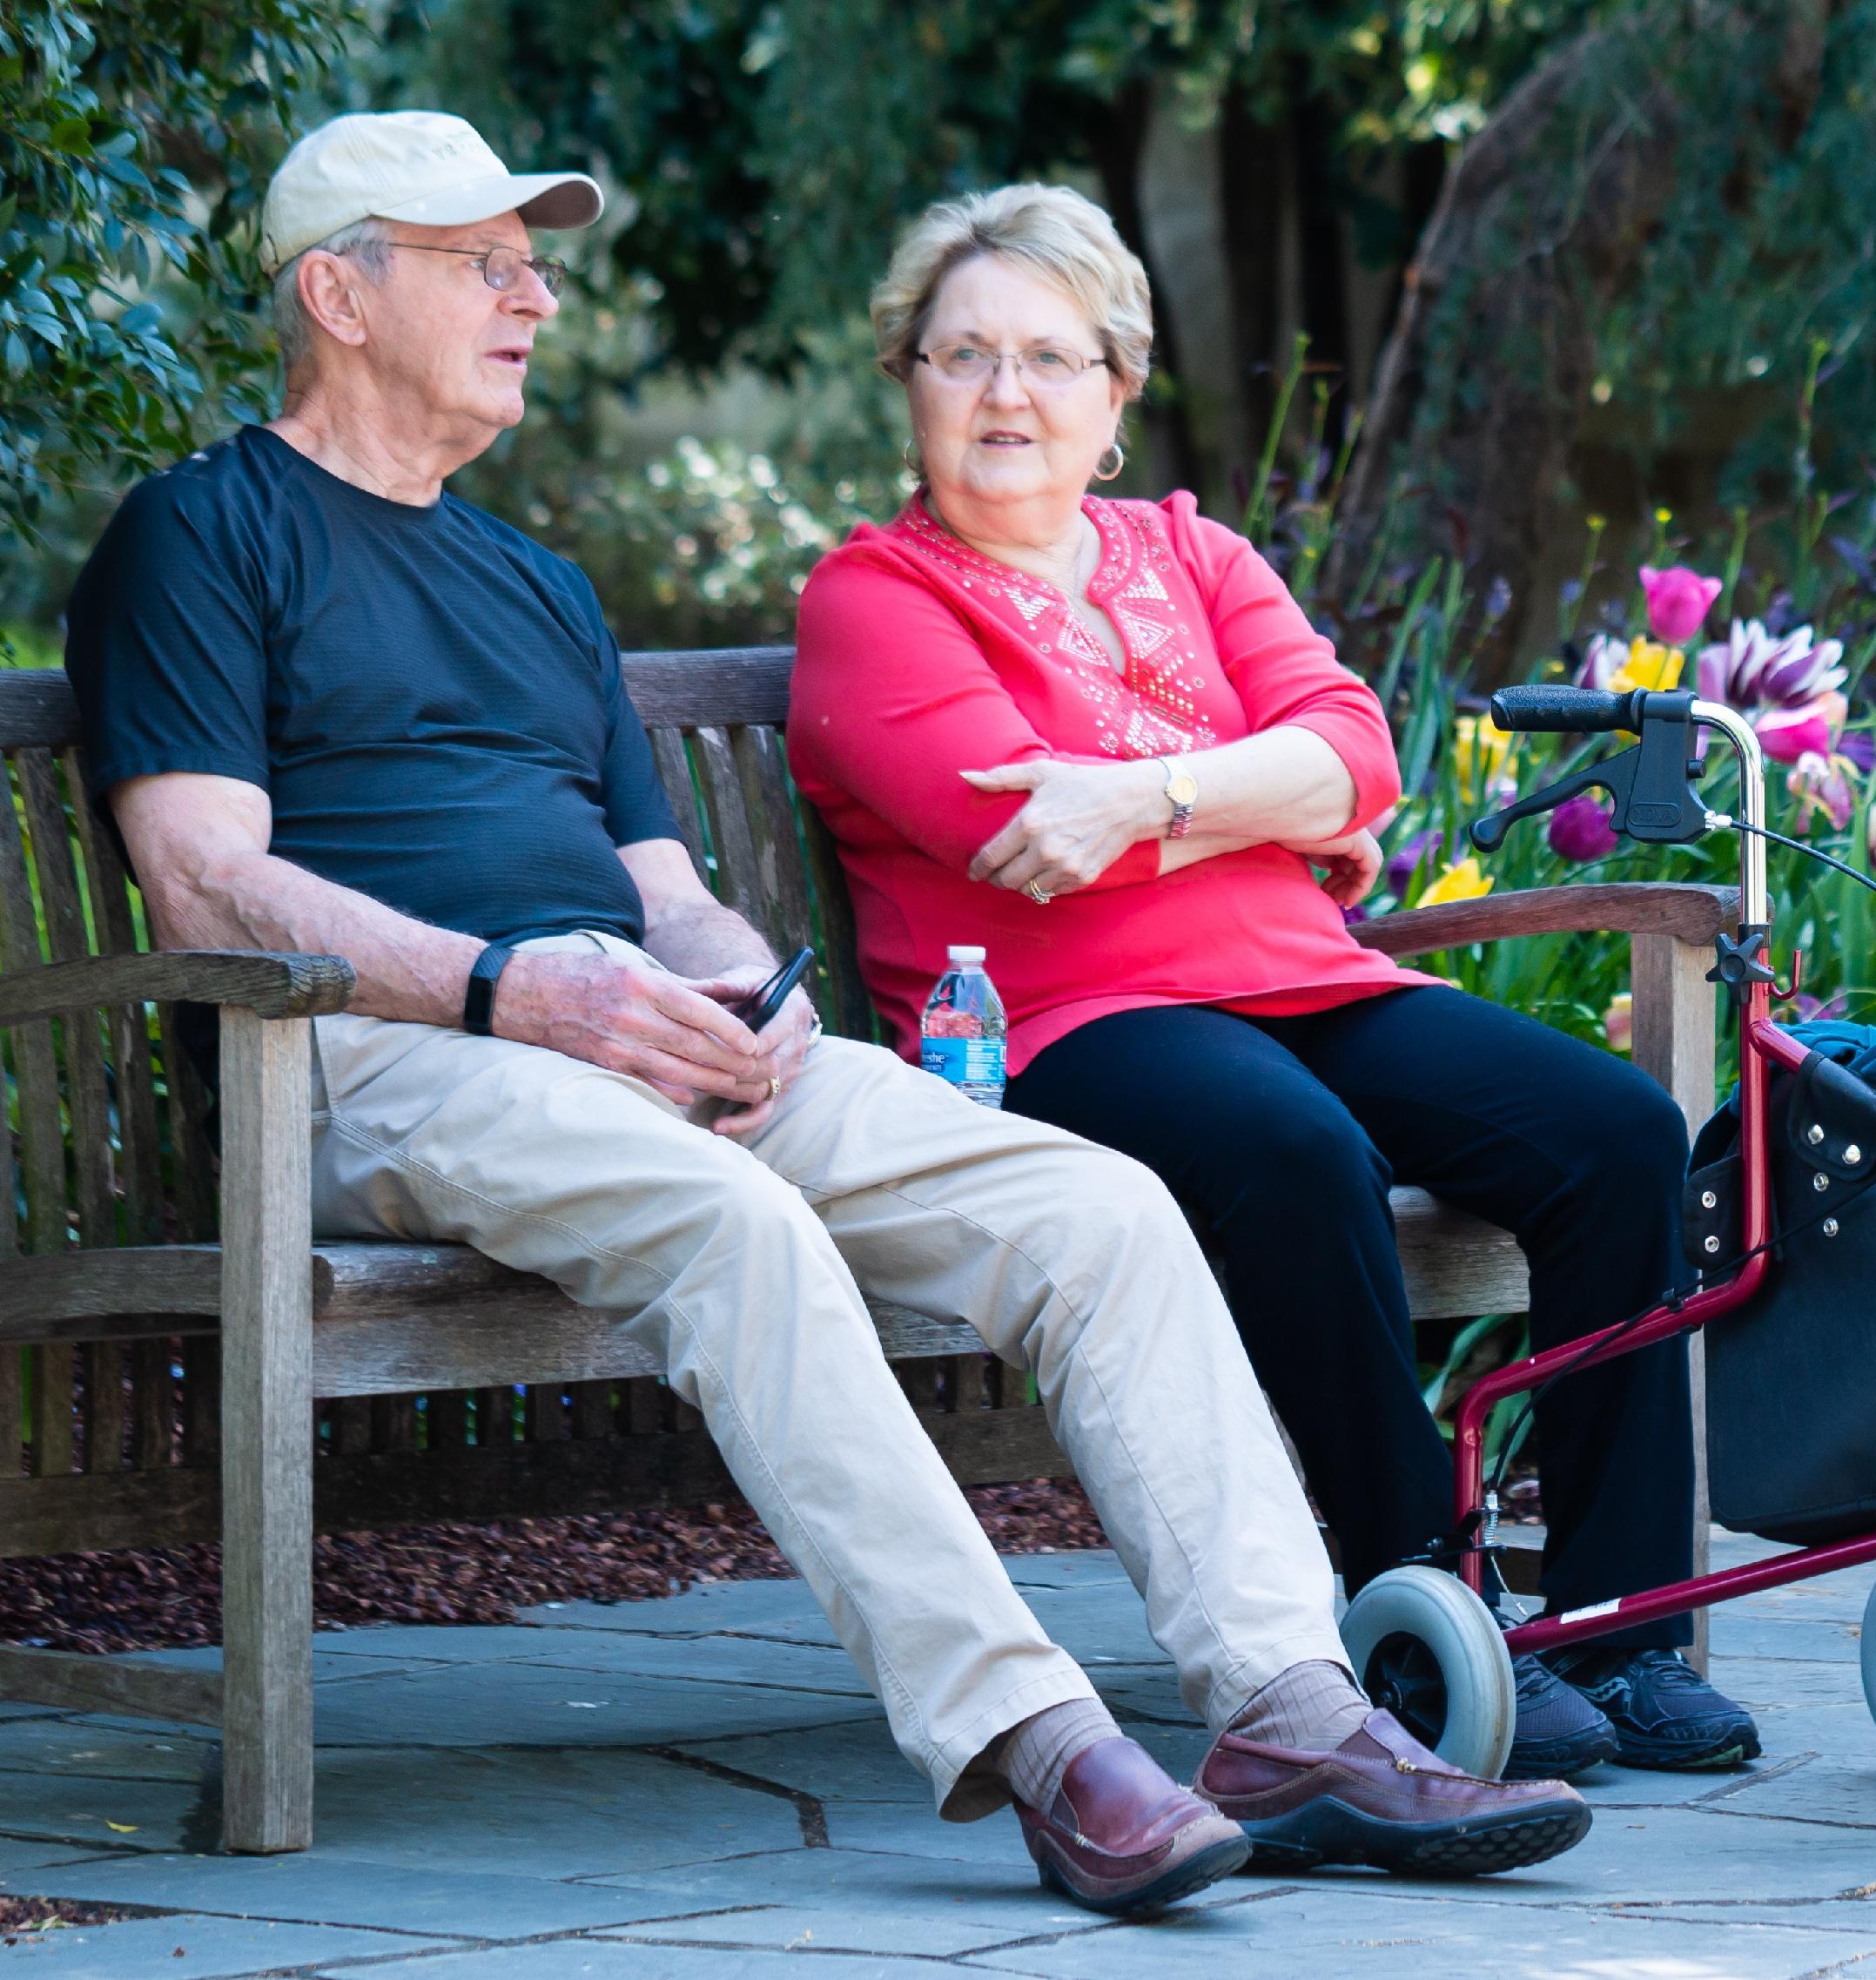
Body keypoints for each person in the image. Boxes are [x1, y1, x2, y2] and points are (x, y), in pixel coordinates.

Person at [64, 112, 1592, 1916]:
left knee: (1096, 1208)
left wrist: (743, 991)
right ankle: (1035, 1737)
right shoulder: (198, 537)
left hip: (620, 1032)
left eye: (531, 262)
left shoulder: (532, 585)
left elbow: (659, 883)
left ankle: (1289, 1706)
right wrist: (509, 986)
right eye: (487, 261)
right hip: (370, 1055)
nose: (536, 297)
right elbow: (207, 884)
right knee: (744, 1229)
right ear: (338, 289)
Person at [784, 184, 1757, 1780]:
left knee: (1614, 1133)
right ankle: (1425, 1613)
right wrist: (1254, 797)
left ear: (1116, 389)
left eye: (1047, 355)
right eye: (963, 355)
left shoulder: (1192, 550)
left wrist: (1145, 797)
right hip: (1062, 1027)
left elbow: (1359, 758)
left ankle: (1622, 1629)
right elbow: (1024, 829)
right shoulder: (875, 600)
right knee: (1296, 1149)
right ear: (910, 381)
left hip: (1306, 977)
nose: (1005, 393)